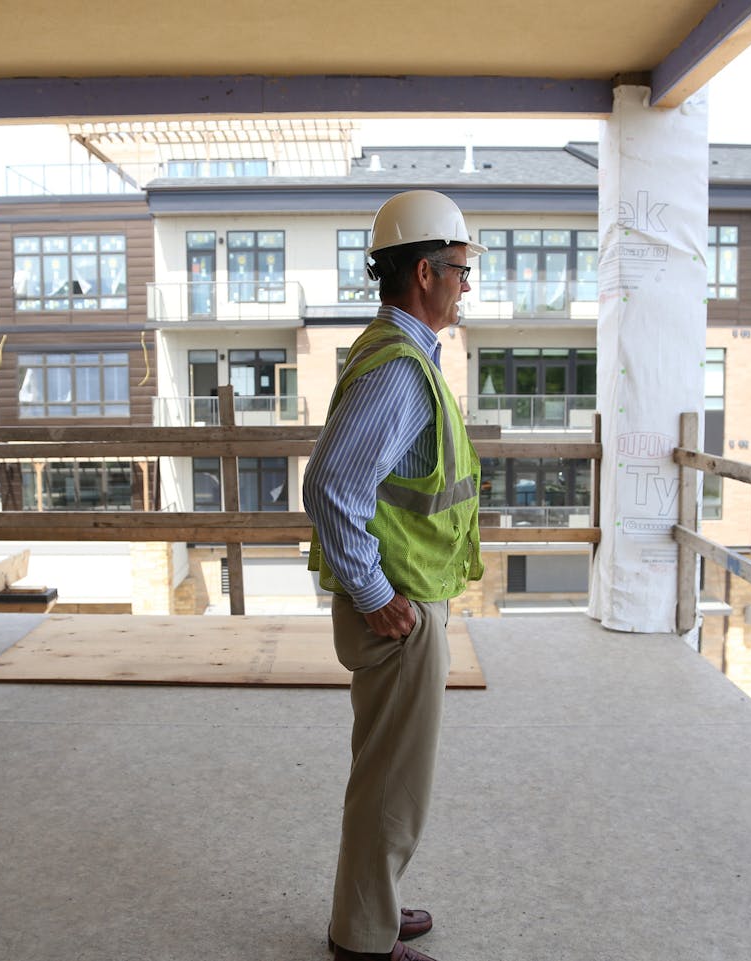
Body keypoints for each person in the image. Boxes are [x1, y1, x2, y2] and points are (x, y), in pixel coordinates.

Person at [303, 190, 486, 961]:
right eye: (459, 269)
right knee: (393, 784)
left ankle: (369, 905)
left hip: (404, 596)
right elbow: (330, 486)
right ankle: (365, 939)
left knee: (385, 769)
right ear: (423, 272)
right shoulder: (402, 370)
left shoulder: (392, 349)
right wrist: (379, 598)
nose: (465, 284)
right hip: (399, 610)